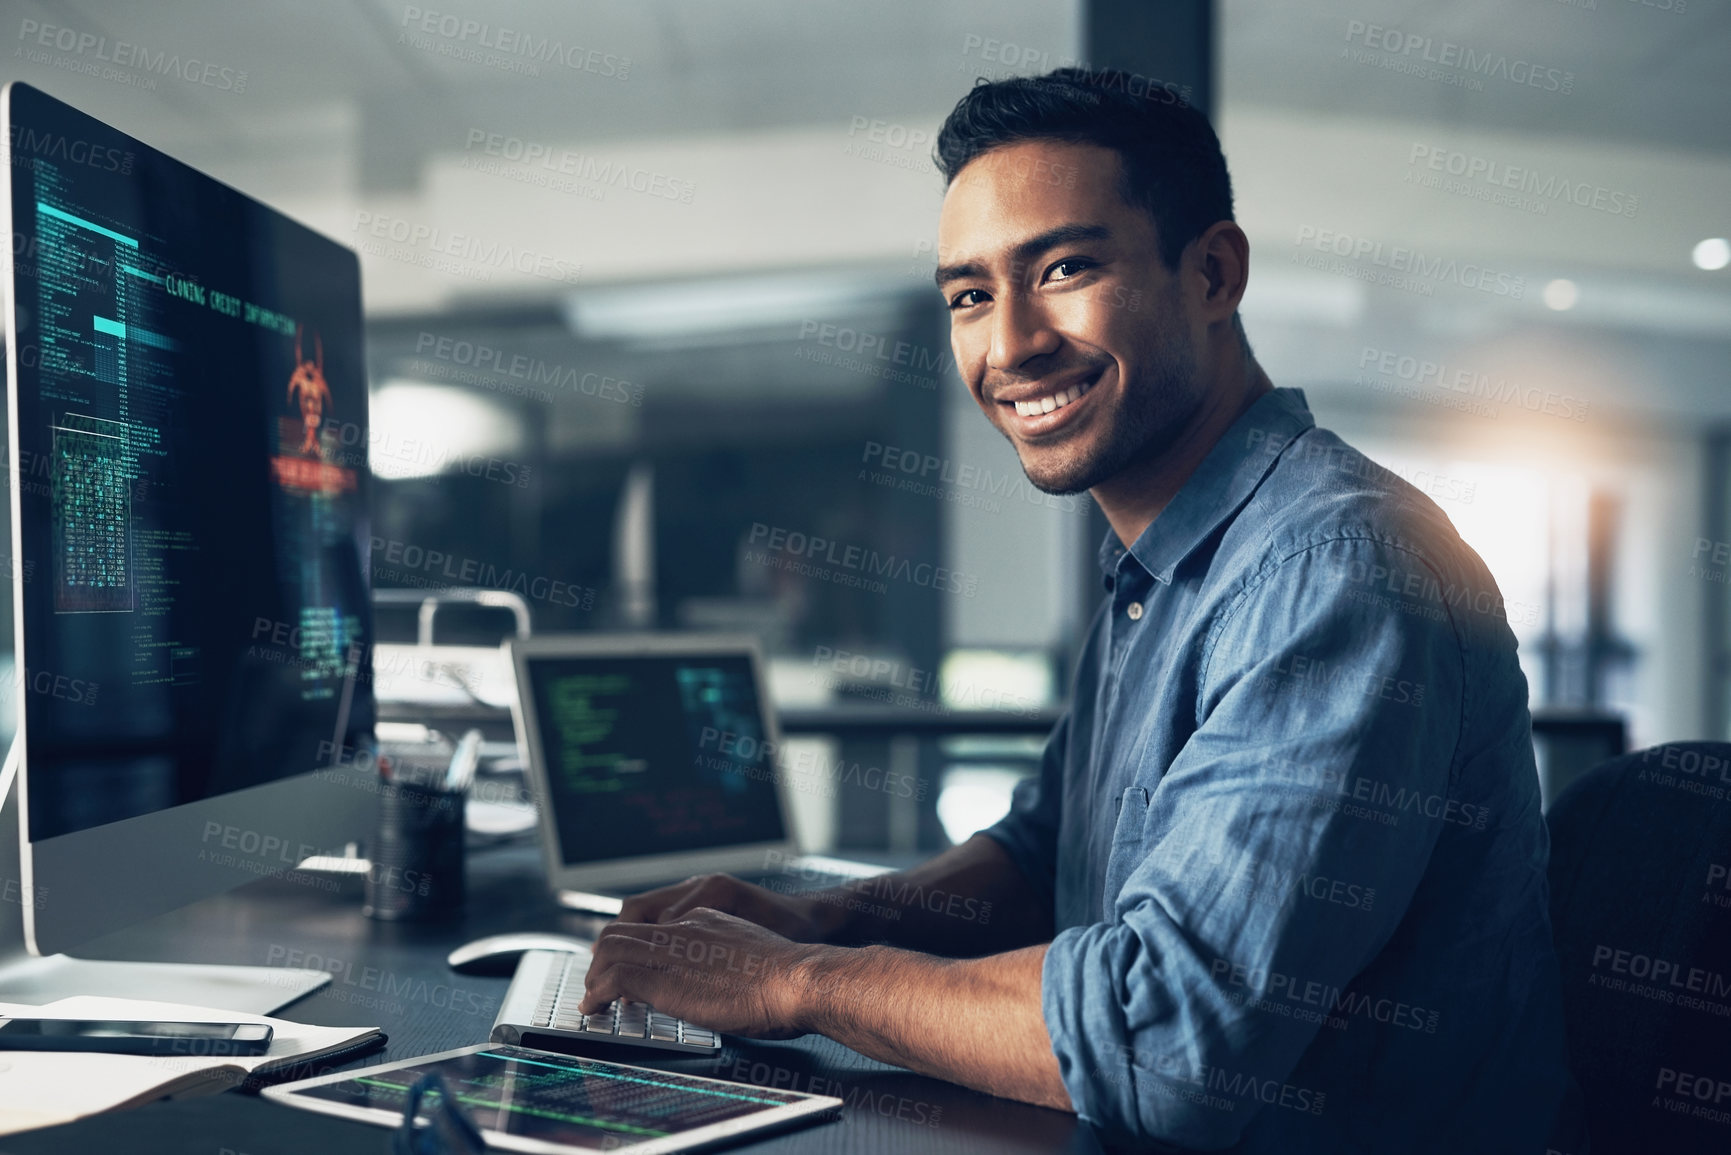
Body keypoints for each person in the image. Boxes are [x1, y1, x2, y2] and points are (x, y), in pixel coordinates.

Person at [579, 67, 1585, 1152]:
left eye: (1064, 267)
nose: (1010, 344)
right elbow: (1047, 853)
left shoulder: (1336, 569)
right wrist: (821, 916)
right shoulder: (1169, 562)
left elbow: (1167, 1038)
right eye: (969, 295)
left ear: (1212, 272)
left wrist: (796, 981)